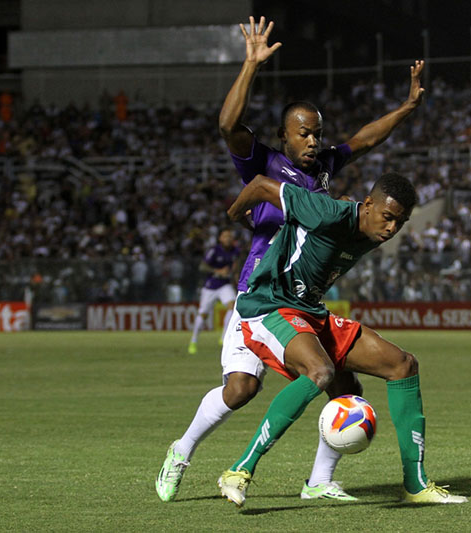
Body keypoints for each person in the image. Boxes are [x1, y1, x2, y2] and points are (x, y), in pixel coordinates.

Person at [155, 15, 426, 502]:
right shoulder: (262, 163)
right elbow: (226, 125)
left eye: (317, 134)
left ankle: (319, 481)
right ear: (284, 137)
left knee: (343, 386)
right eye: (303, 134)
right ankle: (182, 450)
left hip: (302, 299)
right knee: (240, 391)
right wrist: (251, 65)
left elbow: (365, 139)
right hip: (259, 294)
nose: (312, 142)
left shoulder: (322, 170)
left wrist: (406, 107)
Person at [217, 173, 466, 506]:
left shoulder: (372, 231)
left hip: (311, 311)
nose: (392, 228)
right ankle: (239, 471)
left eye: (401, 222)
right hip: (268, 305)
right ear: (368, 206)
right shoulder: (326, 212)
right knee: (320, 371)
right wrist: (234, 217)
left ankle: (414, 485)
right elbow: (262, 185)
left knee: (401, 366)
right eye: (388, 217)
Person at [188, 228, 239, 353]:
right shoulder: (214, 250)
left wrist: (234, 275)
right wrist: (218, 271)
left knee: (232, 306)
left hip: (225, 285)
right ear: (220, 238)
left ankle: (224, 337)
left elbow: (235, 266)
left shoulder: (235, 251)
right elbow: (203, 266)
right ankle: (193, 340)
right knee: (203, 314)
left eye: (230, 236)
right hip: (210, 286)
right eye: (225, 236)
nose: (228, 238)